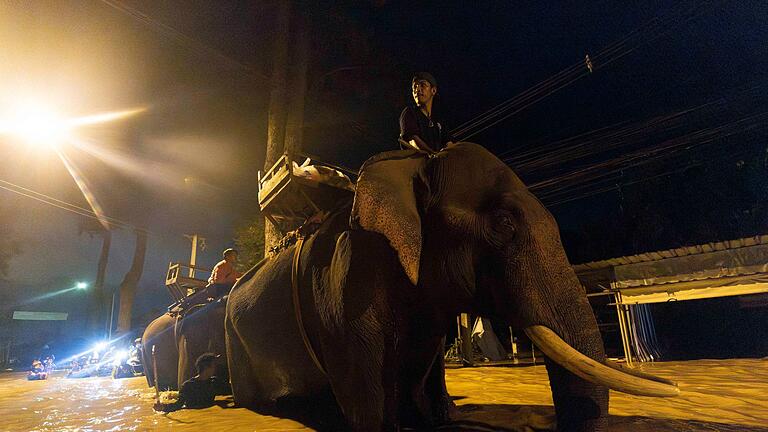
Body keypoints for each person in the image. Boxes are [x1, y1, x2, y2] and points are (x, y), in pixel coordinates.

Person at [399, 71, 455, 154]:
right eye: (415, 87)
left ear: (433, 90)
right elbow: (413, 142)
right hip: (417, 163)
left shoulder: (438, 119)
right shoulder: (409, 113)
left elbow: (448, 141)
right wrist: (433, 154)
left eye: (422, 85)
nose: (417, 90)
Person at [153, 353, 222, 412]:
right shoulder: (188, 386)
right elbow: (178, 405)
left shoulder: (214, 382)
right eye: (214, 366)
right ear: (206, 368)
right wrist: (163, 407)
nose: (215, 368)